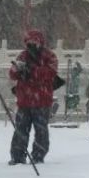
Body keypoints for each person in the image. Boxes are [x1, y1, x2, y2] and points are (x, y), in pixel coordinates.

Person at [8, 30, 58, 165]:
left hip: (42, 100)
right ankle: (17, 156)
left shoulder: (49, 56)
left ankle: (38, 155)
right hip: (24, 100)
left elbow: (51, 73)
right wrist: (18, 70)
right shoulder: (23, 56)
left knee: (41, 130)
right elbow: (12, 74)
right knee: (21, 129)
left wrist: (32, 71)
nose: (31, 44)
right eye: (28, 42)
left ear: (40, 42)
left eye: (34, 41)